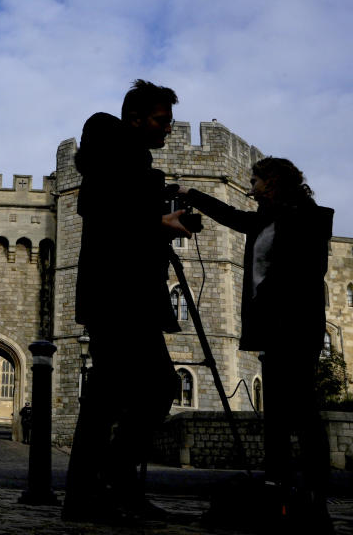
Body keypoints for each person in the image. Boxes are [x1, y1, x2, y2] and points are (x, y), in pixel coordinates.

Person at [63, 80, 192, 523]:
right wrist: (158, 222)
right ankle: (97, 489)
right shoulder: (112, 146)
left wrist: (159, 205)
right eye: (162, 119)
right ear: (135, 118)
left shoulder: (129, 159)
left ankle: (106, 486)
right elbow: (98, 208)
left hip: (127, 294)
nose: (169, 128)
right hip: (119, 295)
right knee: (128, 391)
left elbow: (119, 207)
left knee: (135, 389)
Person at [178, 158, 333, 529]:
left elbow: (307, 275)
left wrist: (271, 298)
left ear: (274, 181)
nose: (251, 186)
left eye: (256, 180)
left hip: (295, 329)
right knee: (277, 416)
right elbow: (232, 216)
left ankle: (316, 496)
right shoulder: (264, 219)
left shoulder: (308, 218)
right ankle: (276, 487)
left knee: (305, 412)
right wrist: (191, 194)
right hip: (274, 331)